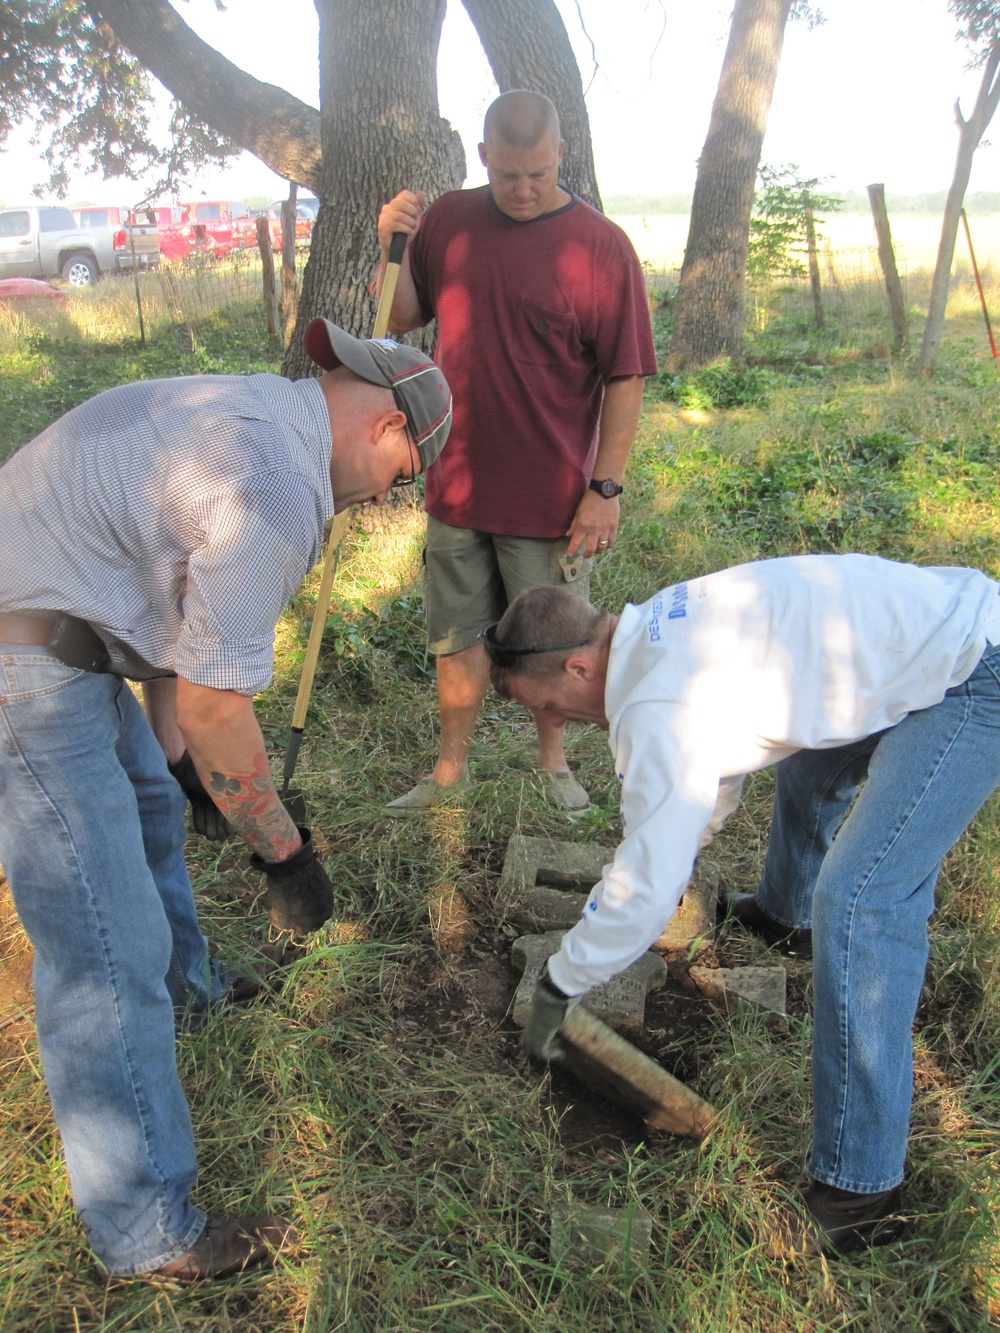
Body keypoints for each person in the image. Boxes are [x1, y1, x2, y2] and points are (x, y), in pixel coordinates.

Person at [0, 321, 452, 1281]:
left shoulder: (258, 410)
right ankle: (141, 1225)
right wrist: (281, 852)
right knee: (100, 945)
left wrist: (182, 774)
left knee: (152, 814)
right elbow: (214, 704)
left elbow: (174, 620)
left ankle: (191, 992)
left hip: (59, 620)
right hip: (22, 664)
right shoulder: (276, 485)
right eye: (406, 475)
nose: (389, 496)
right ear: (386, 429)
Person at [483, 553, 1000, 1257]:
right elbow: (712, 767)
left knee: (861, 900)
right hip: (934, 623)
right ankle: (786, 917)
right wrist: (679, 842)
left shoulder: (655, 703)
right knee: (813, 758)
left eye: (544, 705)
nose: (556, 722)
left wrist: (562, 981)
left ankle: (861, 1188)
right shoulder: (653, 629)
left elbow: (645, 884)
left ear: (576, 667)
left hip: (971, 675)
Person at [375, 89, 657, 815]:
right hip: (458, 481)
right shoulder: (449, 221)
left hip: (551, 496)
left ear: (560, 154)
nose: (524, 189)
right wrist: (392, 248)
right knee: (456, 636)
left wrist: (606, 488)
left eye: (537, 173)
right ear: (484, 158)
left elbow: (626, 376)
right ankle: (449, 771)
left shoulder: (600, 248)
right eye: (508, 175)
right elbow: (404, 315)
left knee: (554, 642)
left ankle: (554, 761)